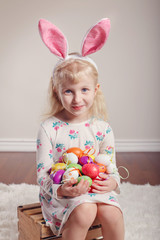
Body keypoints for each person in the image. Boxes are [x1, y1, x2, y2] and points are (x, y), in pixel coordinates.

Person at [36, 18, 124, 240]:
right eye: (69, 91)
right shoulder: (49, 128)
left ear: (95, 90)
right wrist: (63, 189)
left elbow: (111, 167)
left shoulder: (102, 129)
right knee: (86, 210)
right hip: (61, 194)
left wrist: (112, 181)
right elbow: (43, 173)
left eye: (84, 89)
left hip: (95, 188)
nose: (77, 99)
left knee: (113, 212)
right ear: (57, 91)